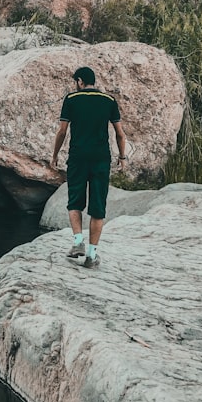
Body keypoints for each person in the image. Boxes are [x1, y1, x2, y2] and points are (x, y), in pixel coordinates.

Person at [49, 66, 128, 269]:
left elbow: (62, 131)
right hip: (101, 159)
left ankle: (77, 242)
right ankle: (92, 255)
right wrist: (122, 157)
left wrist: (55, 154)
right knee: (98, 207)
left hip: (78, 157)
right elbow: (120, 133)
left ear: (80, 81)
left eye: (76, 81)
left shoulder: (72, 99)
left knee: (74, 201)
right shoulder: (109, 100)